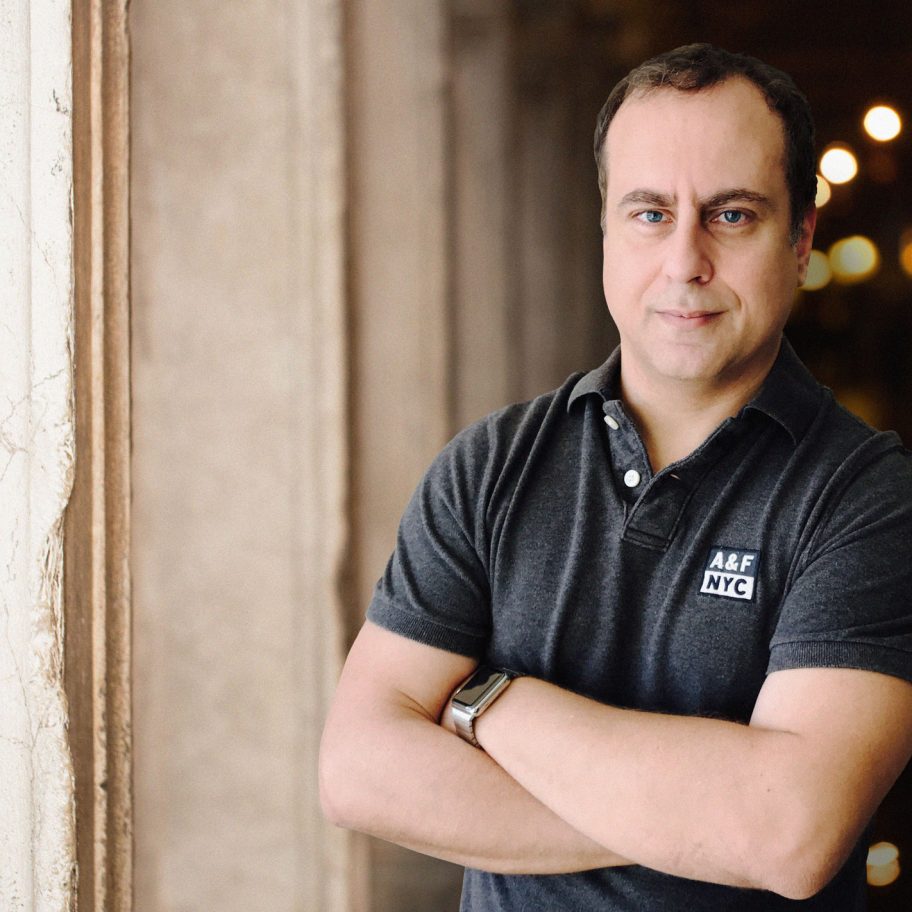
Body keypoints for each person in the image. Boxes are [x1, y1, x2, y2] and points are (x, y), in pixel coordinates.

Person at [319, 43, 912, 910]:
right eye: (648, 213)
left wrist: (487, 701)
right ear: (604, 227)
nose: (684, 261)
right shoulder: (489, 467)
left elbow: (789, 833)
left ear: (801, 238)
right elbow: (357, 771)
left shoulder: (866, 497)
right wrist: (695, 820)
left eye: (733, 215)